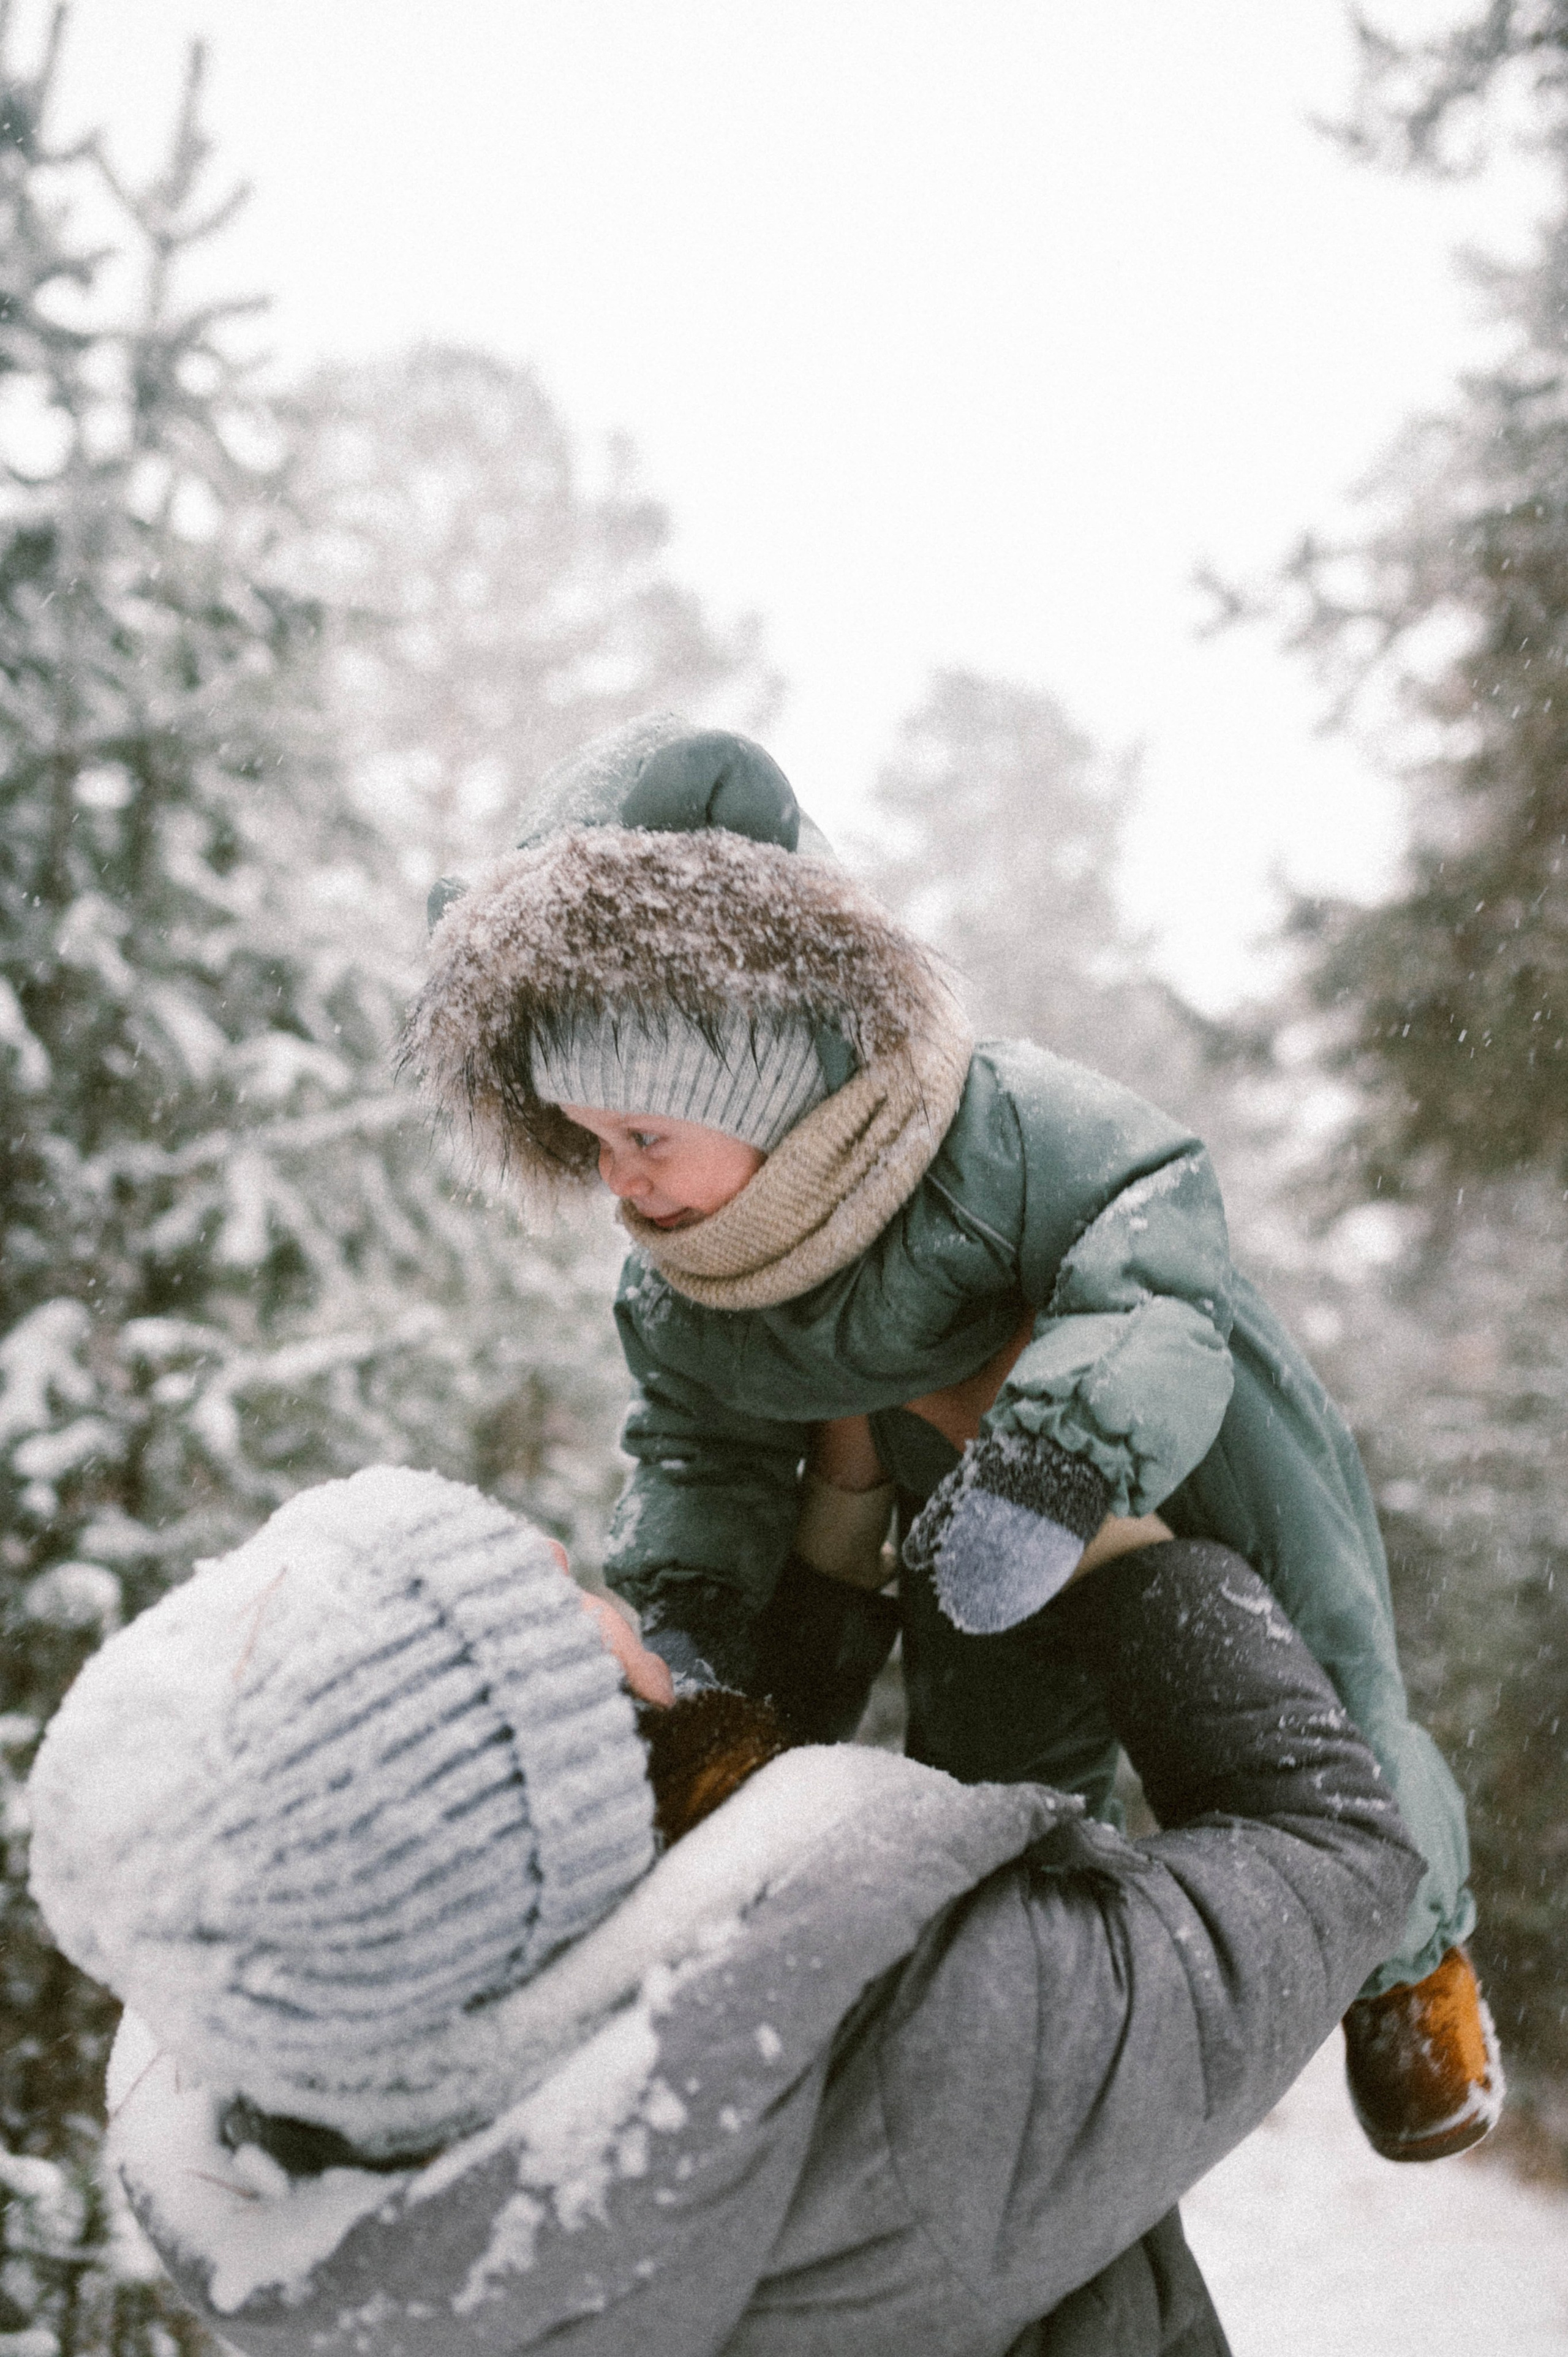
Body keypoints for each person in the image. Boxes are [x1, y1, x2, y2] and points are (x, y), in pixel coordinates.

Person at [403, 714, 1499, 2163]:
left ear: (754, 1074)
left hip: (1186, 1444)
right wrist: (693, 1634)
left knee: (1315, 1687)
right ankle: (1044, 2004)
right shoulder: (685, 1287)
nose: (618, 1181)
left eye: (643, 1135)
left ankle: (1407, 1947)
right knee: (990, 1762)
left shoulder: (1004, 1133)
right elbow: (698, 1463)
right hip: (948, 1522)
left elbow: (1156, 1264)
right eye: (586, 1141)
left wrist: (1053, 1460)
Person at [29, 1465, 1426, 2357]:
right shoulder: (947, 2061)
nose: (589, 1589)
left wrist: (833, 1536)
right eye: (562, 1624)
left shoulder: (302, 2086)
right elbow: (1336, 1847)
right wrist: (1115, 1551)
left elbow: (687, 1880)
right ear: (573, 1777)